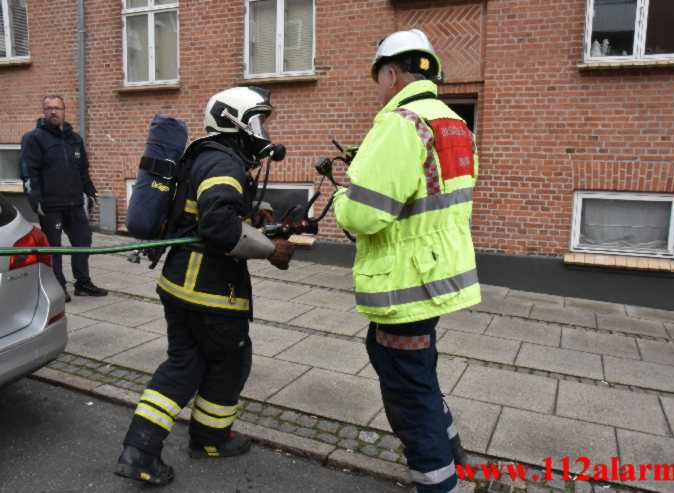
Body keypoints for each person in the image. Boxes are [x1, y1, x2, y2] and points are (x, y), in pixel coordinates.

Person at [115, 87, 294, 486]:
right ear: (235, 122)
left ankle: (139, 449)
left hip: (180, 284)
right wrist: (271, 250)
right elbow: (216, 226)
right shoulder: (223, 164)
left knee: (184, 362)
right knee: (230, 359)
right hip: (207, 291)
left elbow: (205, 213)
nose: (261, 130)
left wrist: (252, 216)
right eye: (256, 120)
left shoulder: (208, 155)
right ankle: (209, 439)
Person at [332, 29, 481, 493]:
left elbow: (363, 214)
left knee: (408, 394)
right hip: (434, 277)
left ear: (393, 74)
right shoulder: (454, 123)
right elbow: (426, 192)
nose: (379, 89)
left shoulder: (401, 122)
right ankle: (456, 454)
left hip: (404, 282)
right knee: (411, 367)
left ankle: (440, 483)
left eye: (379, 78)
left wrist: (343, 195)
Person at [21, 95, 108, 302]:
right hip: (50, 205)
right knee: (54, 247)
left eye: (57, 108)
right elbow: (28, 172)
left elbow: (83, 170)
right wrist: (36, 200)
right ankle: (59, 286)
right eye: (49, 108)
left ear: (64, 110)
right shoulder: (34, 138)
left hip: (75, 203)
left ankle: (83, 283)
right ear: (44, 112)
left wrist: (90, 192)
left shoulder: (74, 139)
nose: (53, 112)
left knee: (83, 241)